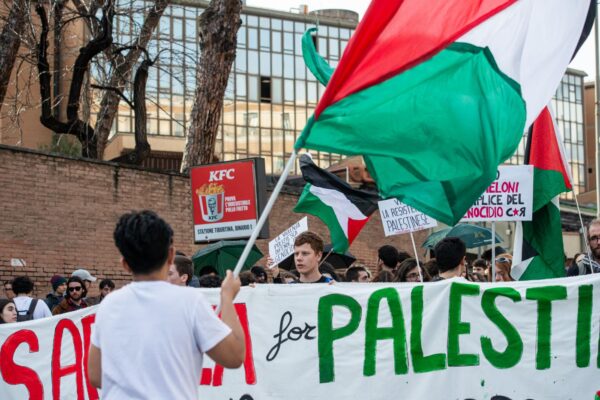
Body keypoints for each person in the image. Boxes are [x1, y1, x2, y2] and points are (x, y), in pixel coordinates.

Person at [88, 210, 245, 398]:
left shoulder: (109, 305)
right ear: (170, 255)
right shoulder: (190, 302)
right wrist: (227, 298)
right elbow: (234, 356)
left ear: (125, 264)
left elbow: (95, 375)